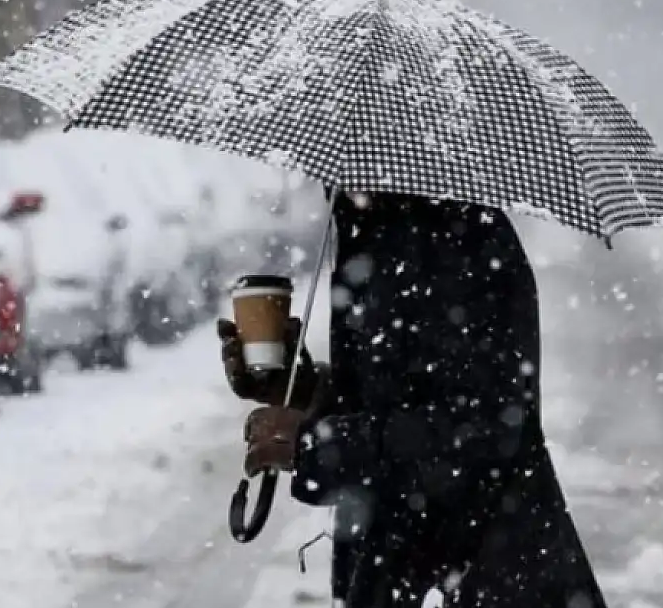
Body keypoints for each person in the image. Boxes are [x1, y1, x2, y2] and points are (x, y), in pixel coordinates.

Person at [218, 190, 608, 608]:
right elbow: (394, 396)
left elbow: (484, 427)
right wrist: (302, 390)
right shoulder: (374, 230)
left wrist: (322, 444)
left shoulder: (460, 242)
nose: (321, 178)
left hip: (485, 569)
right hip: (403, 562)